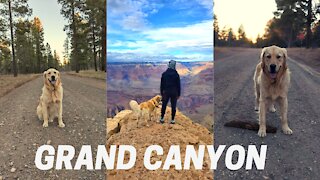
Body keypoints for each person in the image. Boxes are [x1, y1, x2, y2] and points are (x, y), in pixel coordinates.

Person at [160, 60, 181, 124]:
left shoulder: (164, 74)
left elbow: (162, 84)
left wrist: (162, 93)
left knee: (164, 105)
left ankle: (162, 118)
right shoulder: (176, 74)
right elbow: (178, 85)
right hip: (174, 92)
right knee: (173, 106)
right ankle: (172, 119)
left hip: (166, 92)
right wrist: (178, 94)